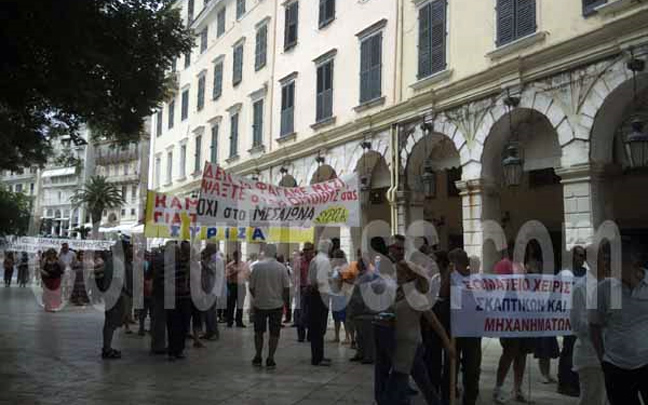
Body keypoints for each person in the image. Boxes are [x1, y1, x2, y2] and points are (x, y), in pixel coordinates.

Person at [375, 259, 453, 405]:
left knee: (395, 387)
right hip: (399, 344)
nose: (395, 275)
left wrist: (447, 343)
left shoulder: (415, 296)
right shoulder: (399, 292)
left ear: (407, 275)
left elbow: (434, 321)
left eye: (398, 272)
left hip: (410, 346)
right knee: (424, 384)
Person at [589, 243, 648, 405]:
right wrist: (603, 359)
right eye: (606, 259)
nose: (607, 264)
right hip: (616, 366)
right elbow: (594, 326)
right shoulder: (603, 289)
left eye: (612, 259)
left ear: (633, 260)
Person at [493, 243, 534, 404]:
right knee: (509, 352)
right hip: (510, 316)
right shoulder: (504, 264)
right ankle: (498, 388)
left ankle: (517, 389)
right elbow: (503, 287)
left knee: (522, 353)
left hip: (523, 316)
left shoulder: (523, 266)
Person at [571, 242, 609, 405]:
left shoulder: (612, 285)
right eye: (603, 257)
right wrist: (602, 324)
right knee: (591, 400)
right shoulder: (581, 288)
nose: (607, 261)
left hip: (612, 356)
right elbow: (577, 325)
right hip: (590, 356)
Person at [448, 248, 482, 405]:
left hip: (472, 329)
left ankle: (470, 397)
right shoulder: (450, 277)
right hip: (456, 328)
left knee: (472, 367)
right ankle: (452, 390)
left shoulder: (476, 279)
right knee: (453, 363)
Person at [249, 244, 291, 369]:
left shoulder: (257, 267)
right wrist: (283, 301)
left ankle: (257, 356)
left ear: (264, 253)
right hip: (276, 305)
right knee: (274, 333)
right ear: (275, 253)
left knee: (258, 332)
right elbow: (286, 288)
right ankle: (270, 358)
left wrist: (257, 297)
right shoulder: (281, 268)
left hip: (260, 304)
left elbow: (251, 287)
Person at [558, 245, 587, 397]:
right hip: (567, 318)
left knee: (577, 352)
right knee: (568, 351)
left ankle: (576, 384)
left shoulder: (587, 274)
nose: (582, 259)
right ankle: (564, 383)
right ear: (573, 256)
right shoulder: (564, 273)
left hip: (582, 319)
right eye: (580, 255)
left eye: (584, 256)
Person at [96, 244, 127, 359]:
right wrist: (126, 293)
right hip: (114, 296)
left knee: (109, 323)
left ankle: (107, 347)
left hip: (109, 295)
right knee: (111, 323)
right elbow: (118, 281)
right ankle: (107, 349)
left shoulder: (110, 261)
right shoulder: (117, 263)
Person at [308, 239, 333, 366]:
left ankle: (318, 355)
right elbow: (320, 281)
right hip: (320, 295)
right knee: (319, 327)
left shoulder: (315, 259)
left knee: (316, 327)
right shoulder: (324, 261)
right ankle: (318, 358)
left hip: (314, 294)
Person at [166, 241, 192, 360]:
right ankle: (172, 351)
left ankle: (179, 350)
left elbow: (187, 279)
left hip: (184, 298)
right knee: (173, 326)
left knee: (183, 326)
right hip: (173, 298)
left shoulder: (183, 264)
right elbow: (164, 281)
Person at [201, 243, 222, 341]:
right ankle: (208, 332)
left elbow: (212, 270)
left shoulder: (217, 259)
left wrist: (203, 263)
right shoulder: (209, 258)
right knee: (207, 312)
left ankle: (214, 332)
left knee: (211, 313)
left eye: (207, 249)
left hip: (212, 289)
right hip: (207, 288)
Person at [295, 243, 315, 342]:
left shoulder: (315, 261)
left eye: (309, 250)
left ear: (312, 250)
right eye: (305, 250)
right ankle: (301, 335)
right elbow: (296, 276)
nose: (307, 252)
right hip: (301, 289)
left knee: (311, 313)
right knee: (301, 312)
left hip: (313, 289)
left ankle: (311, 334)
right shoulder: (299, 262)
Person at [225, 251, 249, 328]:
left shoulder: (244, 265)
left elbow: (248, 274)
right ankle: (230, 321)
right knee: (231, 304)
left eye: (239, 256)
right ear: (234, 256)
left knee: (240, 305)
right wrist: (233, 272)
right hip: (233, 286)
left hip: (241, 286)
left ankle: (239, 321)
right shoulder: (230, 265)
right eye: (236, 256)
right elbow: (226, 275)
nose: (237, 258)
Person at [137, 251, 153, 336]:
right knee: (147, 311)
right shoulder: (144, 264)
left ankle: (142, 328)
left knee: (144, 312)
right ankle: (143, 328)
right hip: (146, 291)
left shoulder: (143, 264)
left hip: (146, 291)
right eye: (147, 255)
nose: (149, 257)